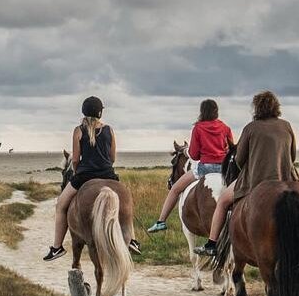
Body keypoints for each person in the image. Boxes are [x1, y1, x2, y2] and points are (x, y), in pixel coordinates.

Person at [195, 91, 297, 256]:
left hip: (256, 180)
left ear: (257, 108)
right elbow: (293, 155)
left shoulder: (250, 128)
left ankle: (211, 244)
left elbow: (239, 160)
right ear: (276, 107)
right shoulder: (287, 126)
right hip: (285, 179)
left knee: (223, 201)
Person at [45, 96, 140, 260]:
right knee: (127, 202)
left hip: (84, 176)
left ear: (84, 111)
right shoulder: (109, 130)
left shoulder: (78, 131)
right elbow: (112, 158)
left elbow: (75, 159)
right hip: (108, 174)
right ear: (100, 112)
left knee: (60, 205)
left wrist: (77, 172)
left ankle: (57, 247)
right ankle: (131, 240)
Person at [147, 99, 231, 234]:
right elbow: (230, 149)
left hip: (205, 168)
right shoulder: (225, 128)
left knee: (175, 189)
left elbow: (194, 155)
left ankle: (161, 221)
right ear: (216, 111)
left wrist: (187, 151)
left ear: (202, 111)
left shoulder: (198, 128)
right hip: (224, 169)